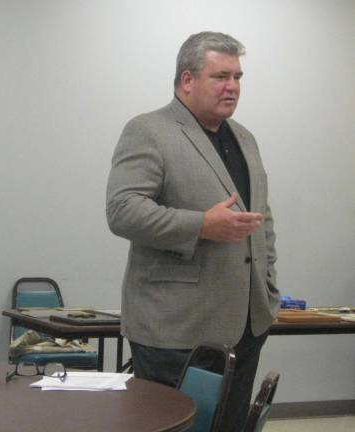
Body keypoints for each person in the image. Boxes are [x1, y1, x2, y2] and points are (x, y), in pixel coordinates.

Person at [106, 31, 280, 431]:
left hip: (245, 324)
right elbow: (122, 211)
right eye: (221, 76)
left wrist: (267, 283)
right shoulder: (149, 130)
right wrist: (201, 225)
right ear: (187, 80)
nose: (233, 87)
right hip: (175, 328)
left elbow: (261, 217)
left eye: (237, 77)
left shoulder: (245, 139)